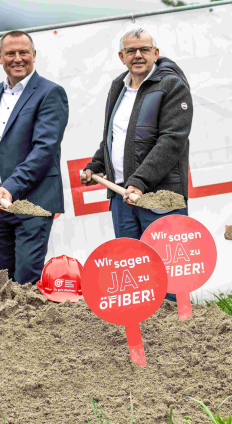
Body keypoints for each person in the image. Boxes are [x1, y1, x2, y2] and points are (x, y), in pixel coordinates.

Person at [81, 25, 193, 301]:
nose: (138, 55)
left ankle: (179, 338)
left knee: (167, 272)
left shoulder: (171, 85)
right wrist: (96, 165)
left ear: (156, 53)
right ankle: (146, 331)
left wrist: (140, 182)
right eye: (131, 51)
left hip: (159, 197)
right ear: (121, 56)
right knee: (135, 270)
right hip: (122, 197)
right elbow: (114, 136)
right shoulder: (117, 87)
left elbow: (172, 140)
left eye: (144, 49)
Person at [0, 31, 69, 284]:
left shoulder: (51, 93)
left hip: (33, 202)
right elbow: (0, 142)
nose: (17, 59)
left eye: (23, 52)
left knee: (26, 283)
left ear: (34, 55)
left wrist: (11, 185)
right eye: (10, 53)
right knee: (4, 284)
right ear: (0, 58)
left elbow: (44, 149)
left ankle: (37, 326)